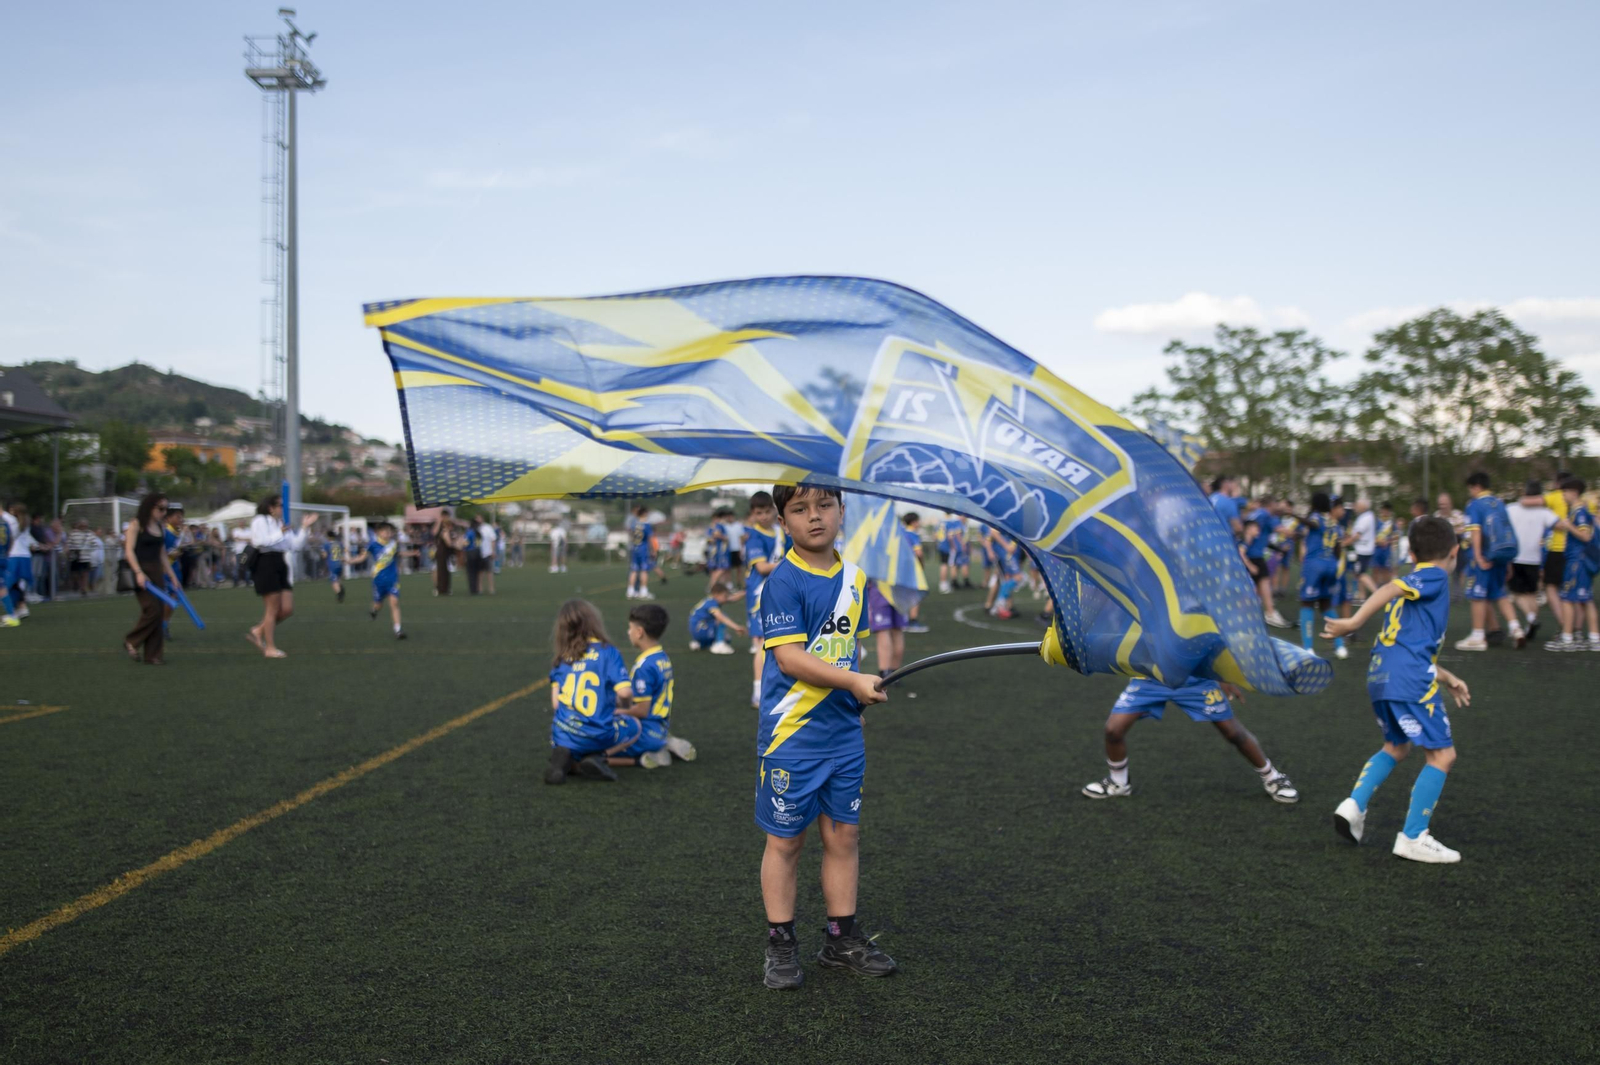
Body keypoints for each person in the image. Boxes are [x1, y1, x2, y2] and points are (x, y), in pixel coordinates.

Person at [755, 484, 894, 990]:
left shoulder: (855, 578)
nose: (814, 517)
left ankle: (840, 939)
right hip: (792, 737)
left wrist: (856, 701)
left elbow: (845, 654)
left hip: (842, 734)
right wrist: (854, 682)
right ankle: (780, 942)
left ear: (841, 511)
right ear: (783, 521)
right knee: (786, 841)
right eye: (799, 509)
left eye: (824, 506)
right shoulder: (783, 582)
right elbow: (790, 658)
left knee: (843, 836)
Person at [1325, 516, 1471, 863]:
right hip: (1408, 680)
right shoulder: (1433, 576)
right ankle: (1413, 837)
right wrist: (1353, 622)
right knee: (1442, 756)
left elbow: (1408, 650)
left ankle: (1353, 805)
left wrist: (1447, 677)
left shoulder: (1414, 597)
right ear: (1454, 551)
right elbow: (1391, 586)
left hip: (1381, 676)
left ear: (1409, 550)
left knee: (1396, 746)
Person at [1080, 677, 1300, 804]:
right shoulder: (1143, 601)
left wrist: (1222, 677)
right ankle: (1119, 783)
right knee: (1113, 730)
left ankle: (1273, 777)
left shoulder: (1193, 601)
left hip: (1195, 680)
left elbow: (1212, 637)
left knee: (1233, 732)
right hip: (1151, 679)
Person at [544, 599, 637, 784]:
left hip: (562, 733)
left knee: (562, 729)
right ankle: (598, 757)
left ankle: (565, 758)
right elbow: (625, 693)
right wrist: (624, 706)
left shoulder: (561, 659)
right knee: (634, 726)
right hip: (598, 733)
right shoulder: (607, 652)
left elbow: (556, 704)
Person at [607, 603, 697, 769]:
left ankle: (652, 754)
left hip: (645, 731)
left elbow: (642, 710)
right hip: (659, 726)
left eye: (630, 628)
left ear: (639, 632)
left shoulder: (644, 666)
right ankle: (665, 742)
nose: (628, 632)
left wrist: (615, 711)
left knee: (598, 741)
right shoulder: (661, 657)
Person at [1456, 472, 1525, 651]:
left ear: (1475, 487)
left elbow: (1476, 531)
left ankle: (1478, 636)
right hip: (1501, 555)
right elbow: (1506, 532)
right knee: (1500, 593)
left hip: (1484, 556)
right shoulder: (1500, 504)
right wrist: (1508, 561)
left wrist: (1478, 556)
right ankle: (1516, 628)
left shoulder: (1475, 505)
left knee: (1477, 595)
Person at [247, 495, 317, 659]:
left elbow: (295, 545)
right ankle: (270, 648)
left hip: (280, 562)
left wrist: (305, 527)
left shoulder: (280, 523)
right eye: (280, 505)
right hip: (265, 563)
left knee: (286, 609)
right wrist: (280, 532)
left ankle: (259, 630)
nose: (282, 508)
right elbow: (259, 542)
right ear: (270, 507)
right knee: (272, 609)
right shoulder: (260, 521)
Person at [122, 493, 181, 665]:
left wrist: (172, 576)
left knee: (159, 610)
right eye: (161, 508)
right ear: (150, 506)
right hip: (141, 569)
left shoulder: (160, 527)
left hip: (156, 571)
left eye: (166, 509)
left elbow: (162, 554)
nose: (164, 512)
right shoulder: (136, 524)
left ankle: (153, 655)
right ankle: (131, 641)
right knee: (152, 609)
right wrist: (139, 572)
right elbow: (129, 551)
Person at [1545, 476, 1598, 651]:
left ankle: (1567, 638)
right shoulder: (1579, 511)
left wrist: (1569, 526)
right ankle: (1593, 637)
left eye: (1565, 493)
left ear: (1574, 493)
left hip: (1577, 561)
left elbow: (1585, 535)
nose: (1563, 497)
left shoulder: (1579, 512)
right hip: (1581, 560)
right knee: (1586, 599)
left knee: (1567, 598)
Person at [1297, 492, 1351, 659]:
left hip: (1314, 566)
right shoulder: (1334, 523)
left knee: (1307, 604)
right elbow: (1337, 547)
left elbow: (1311, 524)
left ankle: (1308, 648)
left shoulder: (1316, 517)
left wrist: (1291, 514)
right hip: (1331, 566)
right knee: (1326, 605)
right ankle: (1340, 646)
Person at [743, 491, 783, 708]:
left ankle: (774, 688)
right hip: (759, 595)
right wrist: (790, 564)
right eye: (759, 512)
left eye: (768, 511)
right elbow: (762, 567)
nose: (765, 516)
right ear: (753, 514)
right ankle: (758, 692)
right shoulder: (754, 538)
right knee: (761, 643)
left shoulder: (780, 532)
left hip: (778, 592)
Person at [1508, 481, 1558, 643]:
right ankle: (1531, 624)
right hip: (1534, 558)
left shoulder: (1512, 508)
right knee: (1531, 594)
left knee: (1517, 594)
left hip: (1516, 556)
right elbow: (1557, 524)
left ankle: (1530, 618)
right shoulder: (1544, 512)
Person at [350, 521, 405, 639]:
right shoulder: (373, 545)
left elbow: (399, 554)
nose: (388, 534)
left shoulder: (393, 544)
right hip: (378, 580)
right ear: (379, 533)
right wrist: (350, 561)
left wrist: (412, 553)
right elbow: (362, 558)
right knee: (378, 604)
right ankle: (374, 610)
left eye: (389, 532)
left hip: (392, 579)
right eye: (385, 531)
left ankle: (398, 630)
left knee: (394, 603)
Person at [1243, 494, 1289, 628]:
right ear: (1271, 504)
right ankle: (1270, 612)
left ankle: (1253, 613)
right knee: (1264, 582)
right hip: (1254, 556)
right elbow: (1281, 530)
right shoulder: (1266, 514)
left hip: (1252, 554)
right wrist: (1297, 533)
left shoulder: (1254, 514)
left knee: (1255, 586)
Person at [1542, 471, 1573, 611]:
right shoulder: (1583, 500)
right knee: (1572, 589)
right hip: (1576, 550)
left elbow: (1533, 502)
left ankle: (1563, 624)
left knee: (1550, 586)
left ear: (1558, 483)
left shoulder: (1554, 497)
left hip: (1557, 548)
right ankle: (1577, 629)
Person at [688, 582, 746, 653]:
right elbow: (721, 617)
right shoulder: (712, 603)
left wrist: (746, 592)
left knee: (727, 638)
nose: (726, 598)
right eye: (724, 596)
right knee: (721, 618)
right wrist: (737, 627)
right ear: (716, 594)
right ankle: (719, 644)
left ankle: (699, 643)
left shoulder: (710, 600)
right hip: (702, 630)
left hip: (696, 631)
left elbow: (732, 598)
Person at [7, 505, 35, 618]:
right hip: (25, 556)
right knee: (18, 584)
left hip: (14, 556)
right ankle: (21, 607)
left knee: (9, 583)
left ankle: (19, 608)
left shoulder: (14, 523)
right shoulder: (25, 522)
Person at [1349, 499, 1378, 601]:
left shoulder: (1366, 517)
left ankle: (1377, 593)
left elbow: (1357, 534)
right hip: (1364, 549)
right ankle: (1362, 596)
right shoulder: (1365, 516)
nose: (1355, 507)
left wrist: (1346, 542)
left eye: (1357, 505)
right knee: (1359, 573)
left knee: (1360, 574)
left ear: (1363, 506)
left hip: (1362, 549)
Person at [626, 506, 654, 600]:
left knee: (634, 570)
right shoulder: (646, 525)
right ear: (644, 513)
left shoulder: (634, 524)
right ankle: (643, 591)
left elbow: (630, 534)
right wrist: (653, 550)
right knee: (644, 570)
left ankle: (630, 591)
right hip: (643, 549)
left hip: (635, 548)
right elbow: (650, 538)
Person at [1371, 501, 1398, 587]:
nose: (1385, 512)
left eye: (1387, 510)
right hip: (1377, 549)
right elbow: (1371, 534)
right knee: (1376, 569)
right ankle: (1375, 589)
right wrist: (1378, 541)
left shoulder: (1392, 522)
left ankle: (1386, 588)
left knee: (1386, 570)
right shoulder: (1376, 521)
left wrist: (1389, 542)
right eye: (1384, 510)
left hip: (1386, 550)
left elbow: (1396, 536)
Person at [67, 519, 96, 596]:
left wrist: (88, 549)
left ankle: (83, 588)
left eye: (85, 525)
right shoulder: (73, 534)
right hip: (76, 557)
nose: (83, 527)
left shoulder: (90, 534)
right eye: (82, 525)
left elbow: (94, 544)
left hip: (86, 557)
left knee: (85, 573)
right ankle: (78, 586)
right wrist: (73, 550)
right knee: (76, 573)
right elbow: (69, 544)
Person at [433, 508, 458, 595]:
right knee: (439, 570)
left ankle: (445, 588)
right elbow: (434, 533)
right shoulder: (440, 526)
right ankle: (439, 588)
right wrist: (439, 521)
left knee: (446, 570)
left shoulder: (450, 526)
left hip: (447, 552)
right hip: (440, 551)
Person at [322, 528, 347, 603]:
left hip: (332, 564)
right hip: (339, 563)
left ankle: (339, 593)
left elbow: (325, 555)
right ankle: (341, 588)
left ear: (328, 537)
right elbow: (345, 550)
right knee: (338, 578)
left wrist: (323, 555)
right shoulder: (339, 543)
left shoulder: (326, 545)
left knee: (333, 581)